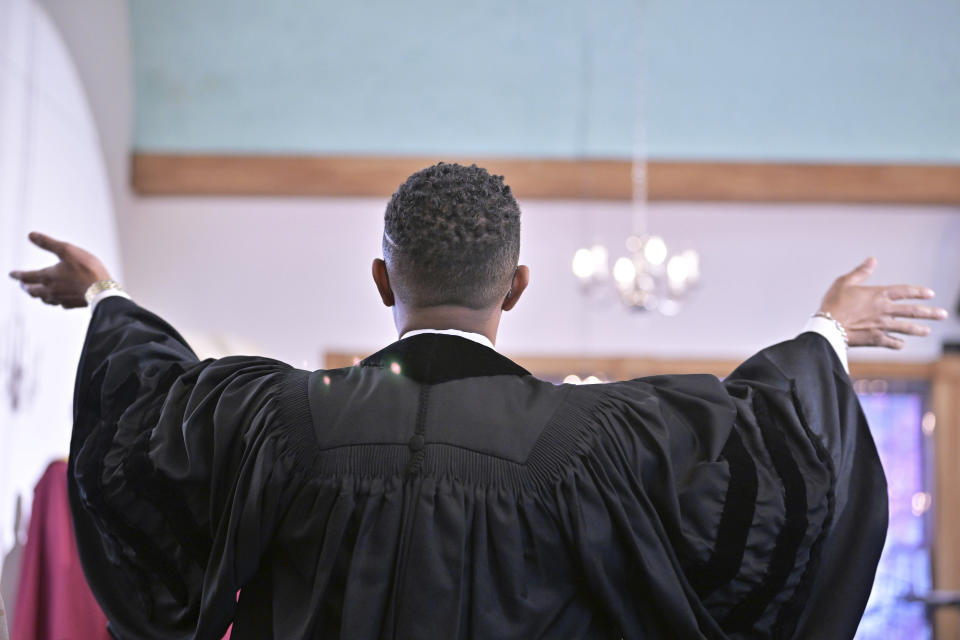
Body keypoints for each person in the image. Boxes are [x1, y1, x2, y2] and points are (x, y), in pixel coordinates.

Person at [9, 163, 948, 639]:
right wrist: (825, 329)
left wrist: (105, 295)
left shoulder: (274, 419)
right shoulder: (604, 439)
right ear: (520, 285)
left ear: (382, 280)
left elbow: (148, 411)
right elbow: (769, 455)